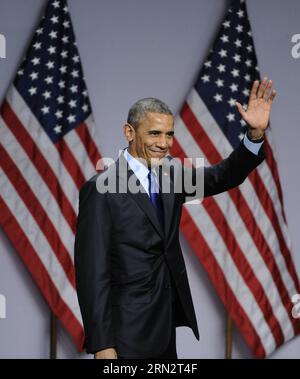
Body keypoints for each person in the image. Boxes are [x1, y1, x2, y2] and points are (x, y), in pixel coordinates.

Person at [74, 78, 276, 359]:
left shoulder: (172, 174)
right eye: (154, 134)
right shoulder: (100, 190)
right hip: (123, 335)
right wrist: (103, 345)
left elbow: (223, 176)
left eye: (169, 135)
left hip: (165, 329)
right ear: (129, 132)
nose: (163, 143)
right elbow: (91, 275)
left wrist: (254, 135)